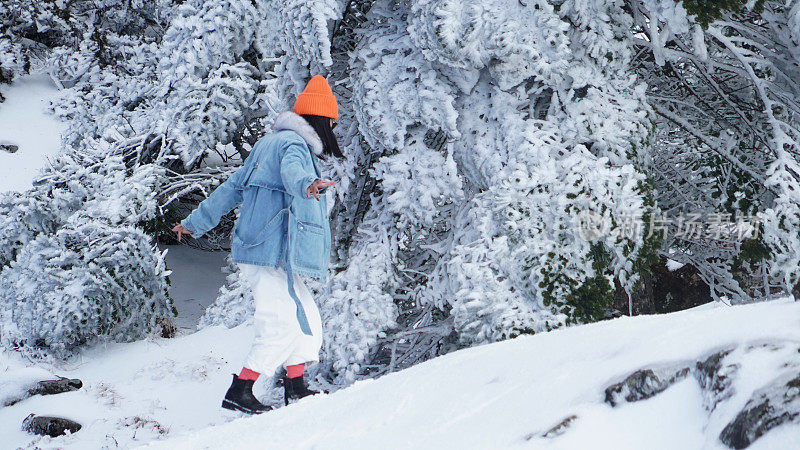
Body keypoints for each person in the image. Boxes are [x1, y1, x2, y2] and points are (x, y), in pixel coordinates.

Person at [172, 75, 342, 414]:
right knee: (279, 322)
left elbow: (231, 188)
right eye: (330, 124)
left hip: (269, 252)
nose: (331, 131)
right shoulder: (293, 146)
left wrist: (194, 223)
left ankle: (296, 386)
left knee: (306, 319)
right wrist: (308, 184)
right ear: (320, 121)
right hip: (270, 251)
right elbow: (295, 173)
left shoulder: (269, 144)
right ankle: (241, 390)